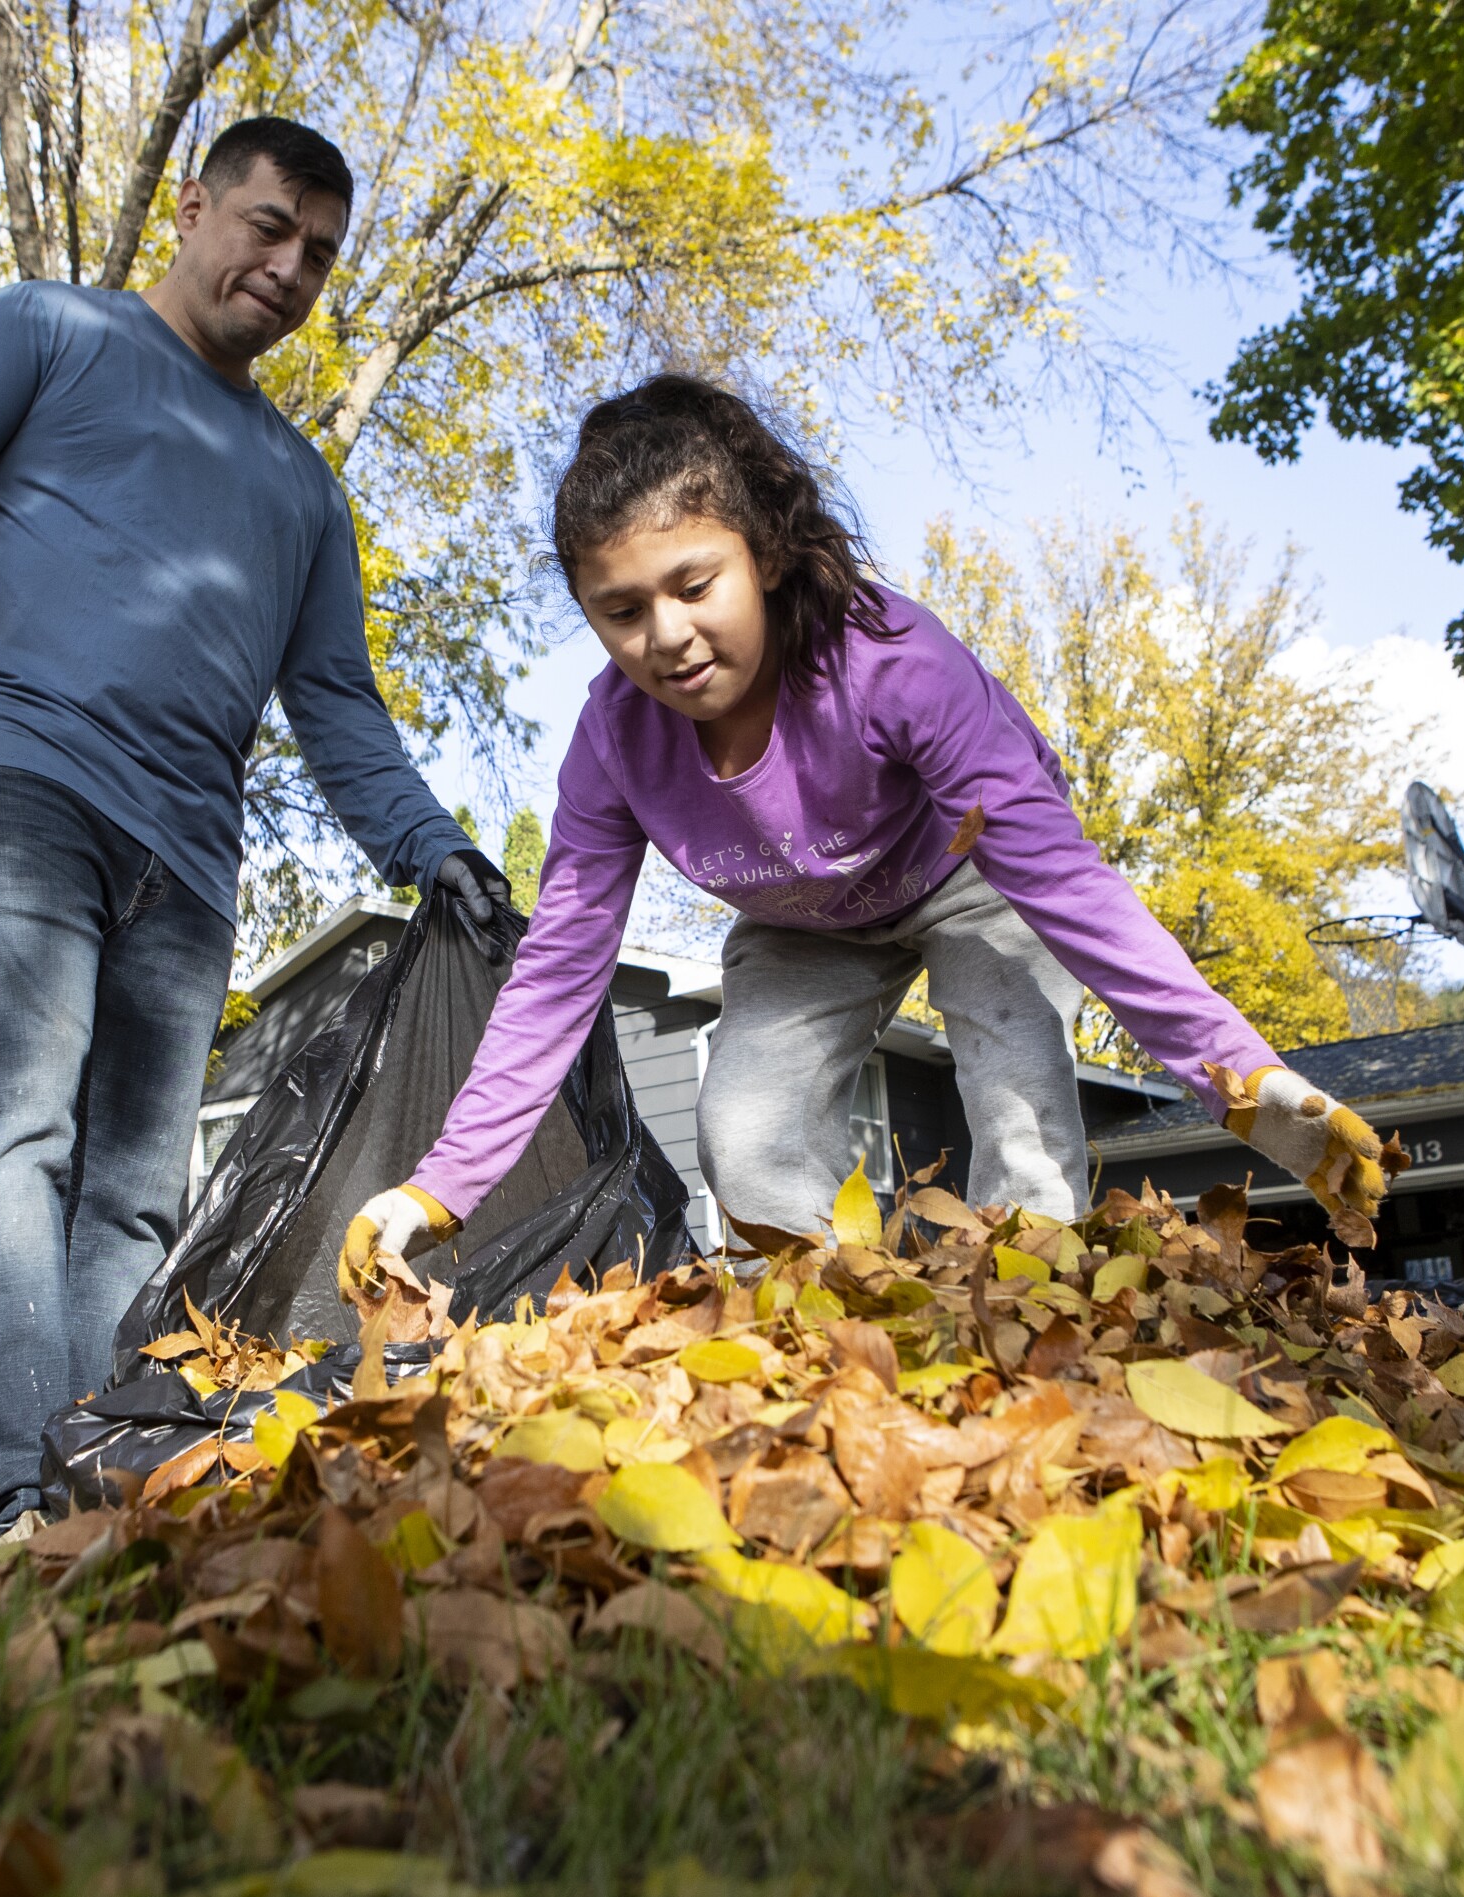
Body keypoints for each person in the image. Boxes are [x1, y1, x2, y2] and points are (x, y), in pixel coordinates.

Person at [0, 116, 509, 1507]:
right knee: (7, 1134)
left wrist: (436, 849)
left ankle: (99, 1493)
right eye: (269, 225)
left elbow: (339, 708)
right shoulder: (49, 332)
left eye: (320, 253)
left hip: (189, 861)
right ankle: (5, 1502)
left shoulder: (303, 487)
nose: (290, 268)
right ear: (193, 206)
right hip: (12, 777)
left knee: (131, 1198)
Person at [343, 375, 1393, 1280]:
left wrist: (1241, 1079)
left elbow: (1069, 890)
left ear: (763, 555)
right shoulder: (615, 741)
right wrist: (439, 1193)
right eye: (621, 612)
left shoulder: (891, 664)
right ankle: (824, 1348)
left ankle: (1035, 1314)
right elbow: (557, 976)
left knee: (1017, 1085)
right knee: (743, 1137)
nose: (667, 637)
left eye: (695, 585)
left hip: (970, 872)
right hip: (801, 923)